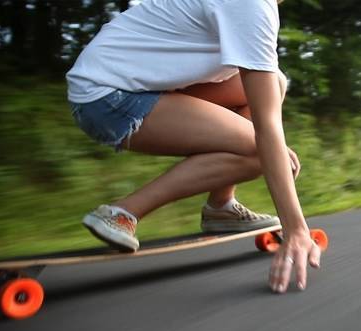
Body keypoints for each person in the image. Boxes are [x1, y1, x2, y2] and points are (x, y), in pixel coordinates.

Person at [66, 0, 322, 294]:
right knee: (259, 152)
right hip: (107, 95)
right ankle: (122, 212)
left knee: (273, 82)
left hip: (130, 81)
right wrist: (296, 230)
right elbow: (267, 130)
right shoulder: (252, 5)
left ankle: (221, 207)